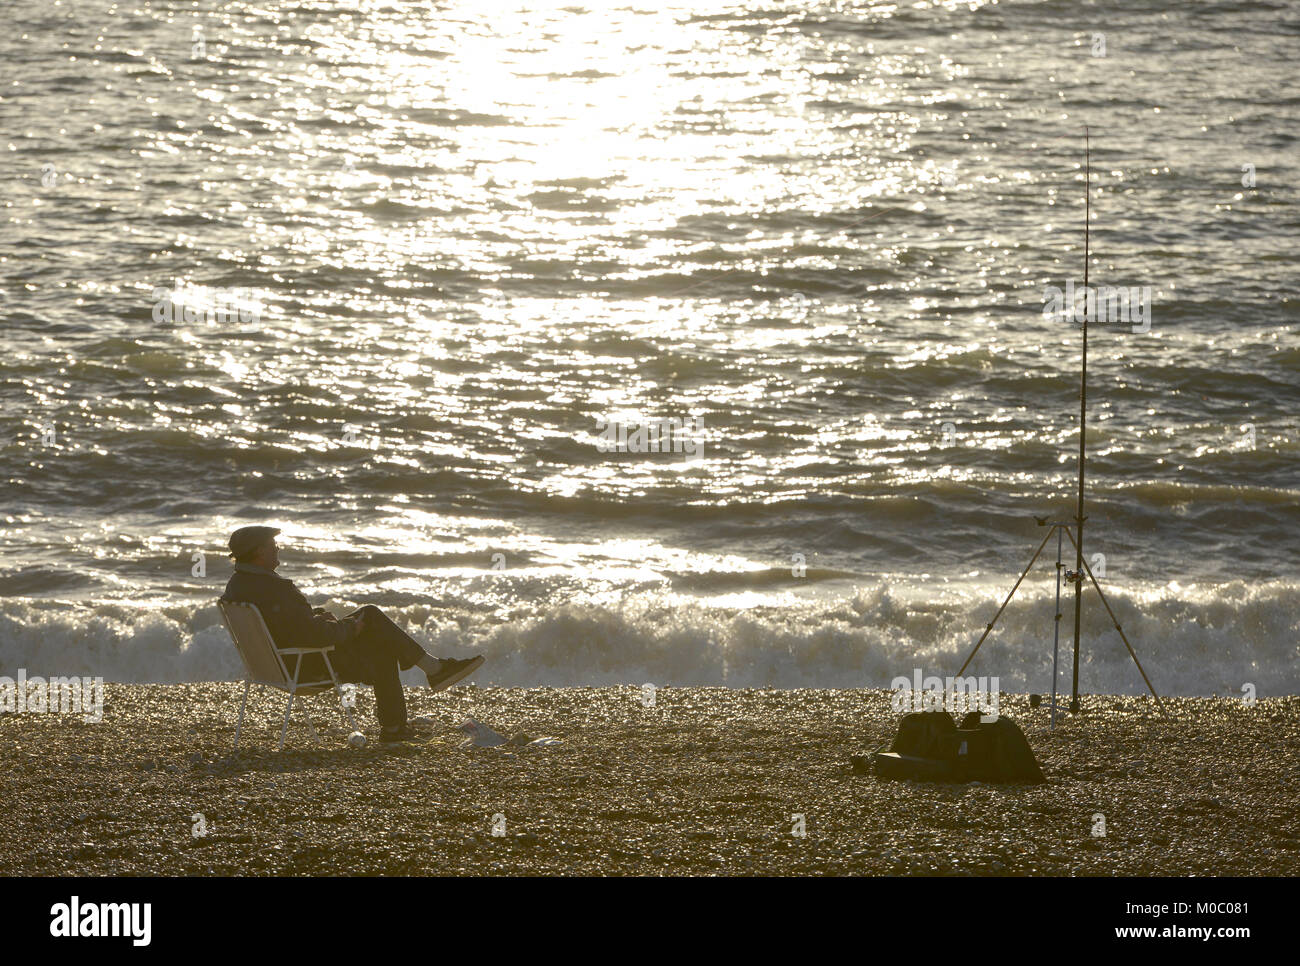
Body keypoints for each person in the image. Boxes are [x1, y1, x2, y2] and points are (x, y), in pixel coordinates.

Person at [221, 525, 483, 742]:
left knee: (371, 620)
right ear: (258, 552)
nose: (277, 548)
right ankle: (424, 683)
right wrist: (348, 628)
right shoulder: (276, 588)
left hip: (275, 666)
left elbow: (287, 626)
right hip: (306, 666)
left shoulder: (237, 586)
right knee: (377, 636)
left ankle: (430, 674)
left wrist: (319, 618)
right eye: (271, 545)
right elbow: (315, 637)